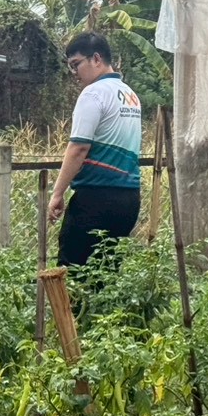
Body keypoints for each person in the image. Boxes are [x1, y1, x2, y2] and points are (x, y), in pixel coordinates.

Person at [48, 32, 144, 273]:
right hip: (129, 200)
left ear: (97, 59)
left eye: (76, 64)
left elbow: (78, 147)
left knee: (73, 272)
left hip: (95, 198)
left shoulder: (93, 94)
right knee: (107, 274)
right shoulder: (130, 96)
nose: (74, 73)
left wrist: (57, 193)